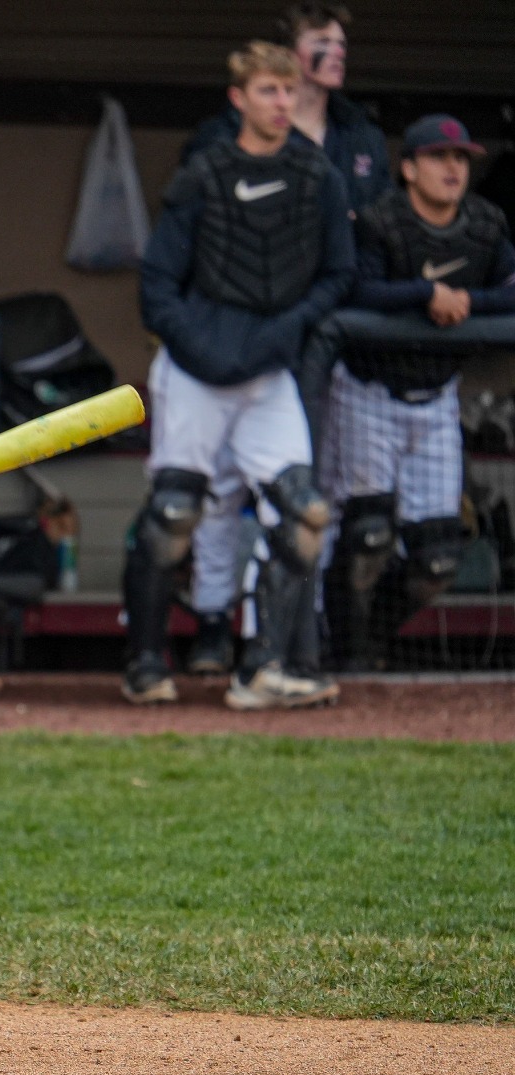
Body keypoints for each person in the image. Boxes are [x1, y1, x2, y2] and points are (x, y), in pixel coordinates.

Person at [132, 41, 354, 711]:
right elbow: (156, 285)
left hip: (268, 369)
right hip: (196, 367)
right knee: (175, 513)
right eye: (267, 91)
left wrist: (282, 332)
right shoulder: (204, 174)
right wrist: (201, 344)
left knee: (303, 511)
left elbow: (339, 274)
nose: (281, 103)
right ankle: (144, 660)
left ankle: (263, 667)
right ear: (239, 98)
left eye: (289, 92)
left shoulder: (320, 178)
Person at [179, 2, 389, 672]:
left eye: (342, 42)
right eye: (322, 42)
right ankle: (214, 625)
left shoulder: (357, 135)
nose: (337, 52)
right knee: (212, 494)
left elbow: (368, 242)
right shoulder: (221, 140)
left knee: (311, 499)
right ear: (290, 55)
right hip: (233, 341)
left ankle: (293, 641)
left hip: (330, 340)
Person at [323, 115, 515, 669]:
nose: (453, 168)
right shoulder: (382, 220)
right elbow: (357, 287)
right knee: (368, 538)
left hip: (436, 395)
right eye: (439, 158)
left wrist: (467, 302)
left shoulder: (484, 223)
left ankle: (371, 638)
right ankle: (347, 648)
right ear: (409, 169)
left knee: (437, 561)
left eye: (461, 159)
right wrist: (425, 294)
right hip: (368, 391)